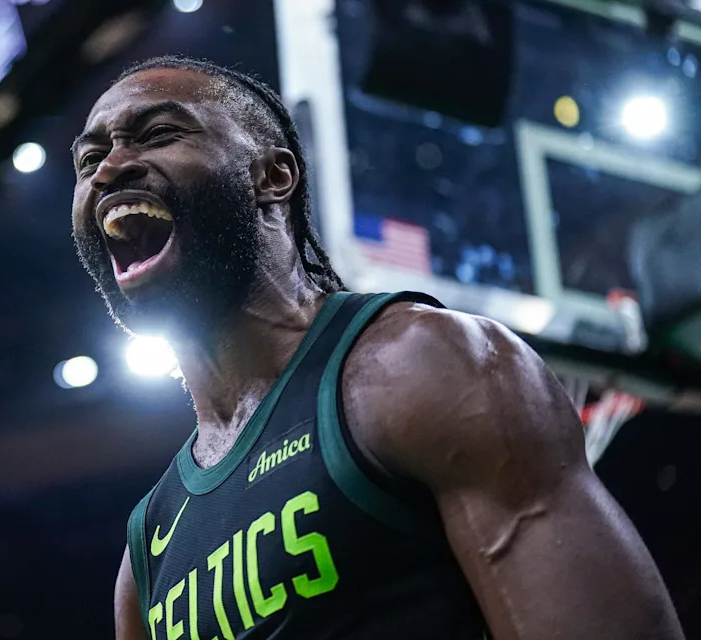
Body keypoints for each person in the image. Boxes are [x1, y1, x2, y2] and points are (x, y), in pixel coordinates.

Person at [70, 55, 684, 639]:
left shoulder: (422, 364)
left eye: (157, 133)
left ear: (271, 176)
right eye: (90, 157)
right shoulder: (147, 554)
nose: (108, 167)